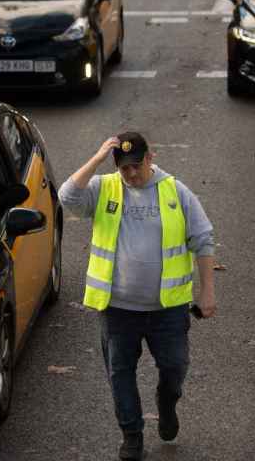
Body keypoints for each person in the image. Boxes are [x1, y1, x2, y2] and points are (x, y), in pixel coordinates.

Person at [59, 132, 218, 461]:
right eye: (123, 168)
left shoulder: (175, 191)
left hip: (168, 309)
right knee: (120, 375)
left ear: (150, 158)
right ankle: (132, 435)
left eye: (136, 166)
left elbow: (203, 239)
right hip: (118, 309)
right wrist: (98, 158)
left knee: (175, 370)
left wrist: (207, 292)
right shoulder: (105, 187)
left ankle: (167, 403)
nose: (130, 174)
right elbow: (67, 197)